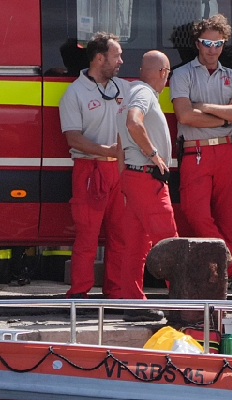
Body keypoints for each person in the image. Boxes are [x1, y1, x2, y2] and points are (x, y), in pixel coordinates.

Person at [170, 14, 232, 300]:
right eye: (207, 42)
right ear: (197, 43)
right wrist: (224, 118)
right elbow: (185, 115)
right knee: (197, 215)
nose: (212, 48)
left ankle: (221, 283)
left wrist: (204, 107)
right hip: (196, 152)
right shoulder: (181, 74)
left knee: (226, 219)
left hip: (228, 153)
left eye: (218, 43)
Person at [58, 32, 128, 300]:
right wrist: (108, 151)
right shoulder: (75, 93)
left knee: (121, 237)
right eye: (116, 55)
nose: (121, 60)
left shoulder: (123, 87)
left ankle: (116, 293)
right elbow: (73, 137)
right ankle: (78, 294)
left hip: (119, 172)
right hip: (90, 170)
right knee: (87, 238)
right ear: (100, 58)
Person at [114, 51, 178, 321]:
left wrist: (124, 181)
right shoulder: (144, 94)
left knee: (136, 245)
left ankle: (133, 302)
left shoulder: (127, 93)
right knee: (170, 242)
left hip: (132, 176)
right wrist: (154, 155)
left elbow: (120, 144)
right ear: (164, 72)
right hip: (147, 176)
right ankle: (185, 305)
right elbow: (133, 122)